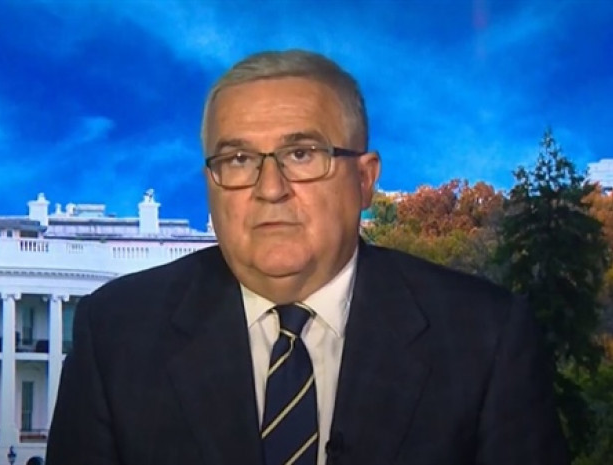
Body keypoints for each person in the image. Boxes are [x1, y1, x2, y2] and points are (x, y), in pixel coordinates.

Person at [46, 49, 568, 465]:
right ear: (210, 184)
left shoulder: (485, 338)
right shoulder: (116, 334)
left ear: (364, 179)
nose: (270, 188)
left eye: (302, 154)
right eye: (238, 159)